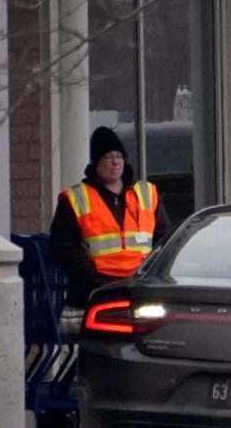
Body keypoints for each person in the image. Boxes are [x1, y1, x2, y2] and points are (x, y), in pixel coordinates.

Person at [48, 126, 169, 310]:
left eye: (119, 156)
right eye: (108, 157)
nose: (115, 162)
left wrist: (152, 275)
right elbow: (64, 247)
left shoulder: (147, 193)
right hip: (94, 291)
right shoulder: (75, 199)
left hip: (140, 286)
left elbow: (165, 238)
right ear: (96, 162)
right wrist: (92, 280)